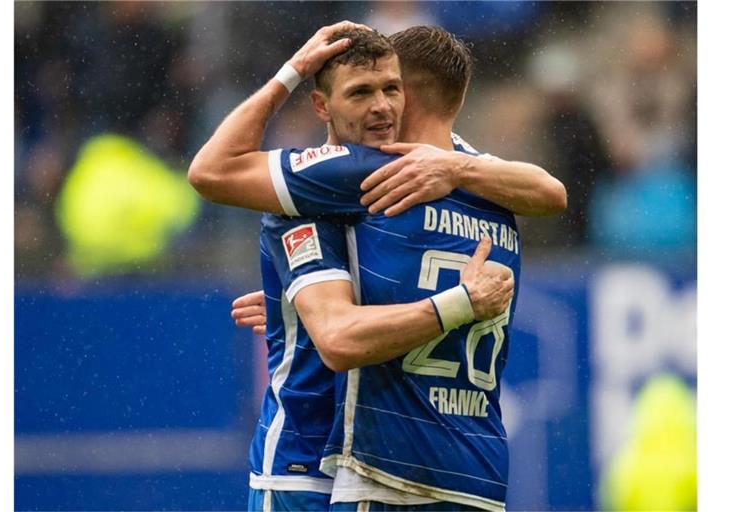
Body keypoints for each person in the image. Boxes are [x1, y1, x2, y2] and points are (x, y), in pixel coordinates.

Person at [189, 23, 566, 511]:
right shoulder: (493, 185)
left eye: (390, 88)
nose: (381, 106)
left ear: (407, 93)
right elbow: (554, 193)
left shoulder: (362, 173)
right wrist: (306, 299)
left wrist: (292, 72)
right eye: (364, 91)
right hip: (471, 467)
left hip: (366, 463)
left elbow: (211, 171)